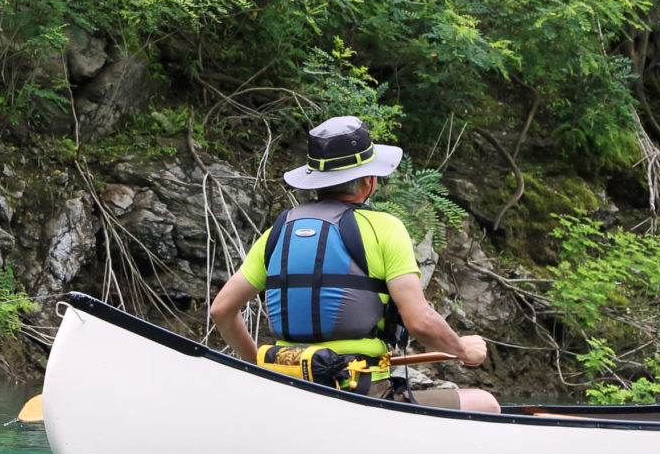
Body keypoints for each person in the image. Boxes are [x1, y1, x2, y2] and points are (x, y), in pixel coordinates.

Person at [207, 116, 497, 412]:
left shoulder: (279, 231)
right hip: (361, 390)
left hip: (286, 387)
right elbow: (419, 321)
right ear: (369, 181)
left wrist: (257, 366)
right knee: (486, 403)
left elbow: (221, 310)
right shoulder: (385, 228)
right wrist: (463, 349)